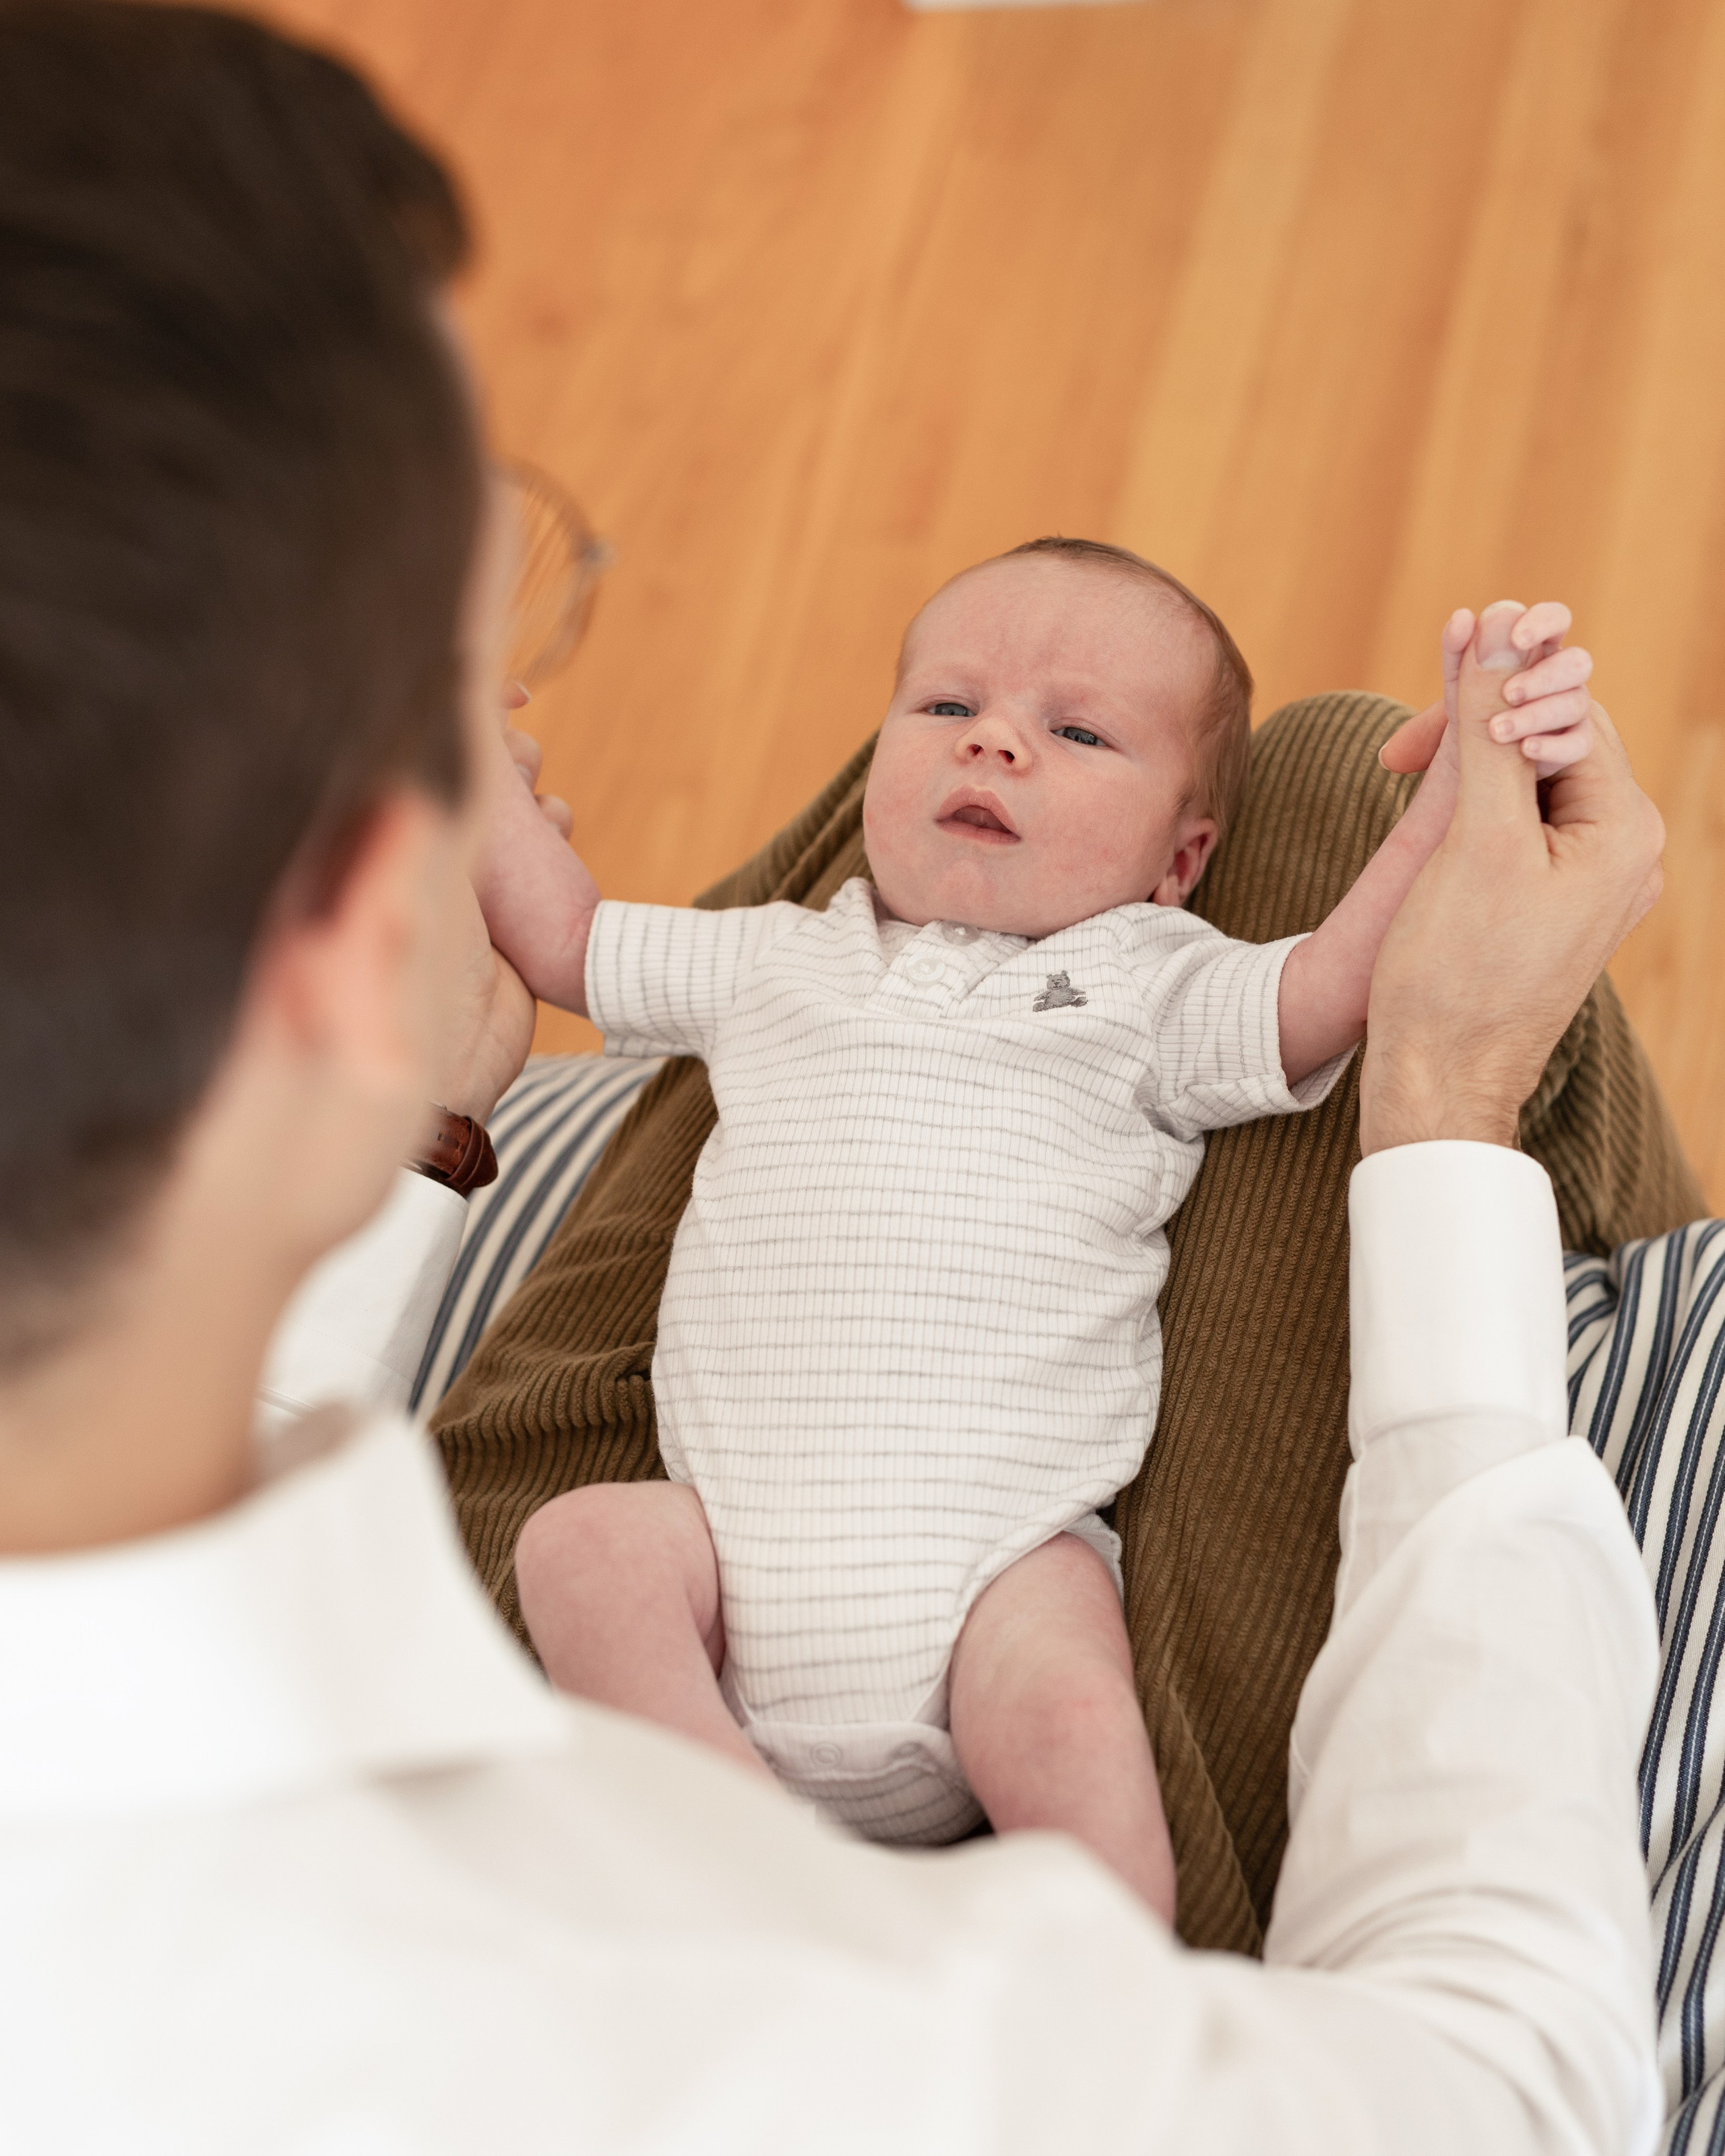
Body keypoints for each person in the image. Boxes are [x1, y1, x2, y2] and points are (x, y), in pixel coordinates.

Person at [0, 5, 1670, 2151]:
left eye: (1067, 738)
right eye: (463, 695)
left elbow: (582, 940)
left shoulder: (1100, 972)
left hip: (953, 1555)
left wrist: (432, 1139)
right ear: (329, 932)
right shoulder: (872, 2061)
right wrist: (1450, 1088)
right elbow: (1518, 2096)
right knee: (1343, 771)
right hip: (786, 1665)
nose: (989, 746)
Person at [482, 537, 1596, 1922]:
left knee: (1078, 1722)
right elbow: (566, 942)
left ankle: (1086, 1961)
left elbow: (1334, 982)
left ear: (1181, 861)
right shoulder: (776, 953)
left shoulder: (1153, 986)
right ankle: (734, 1851)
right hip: (718, 1568)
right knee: (577, 1547)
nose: (994, 743)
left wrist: (1445, 795)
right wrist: (460, 755)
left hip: (992, 1581)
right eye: (944, 708)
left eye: (1073, 731)